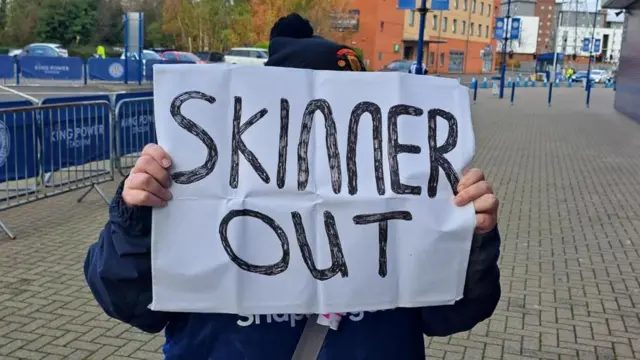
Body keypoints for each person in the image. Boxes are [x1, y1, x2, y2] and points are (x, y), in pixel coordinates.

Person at [84, 13, 501, 360]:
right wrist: (134, 215)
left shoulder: (412, 191)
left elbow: (453, 316)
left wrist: (472, 238)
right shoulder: (185, 182)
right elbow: (126, 301)